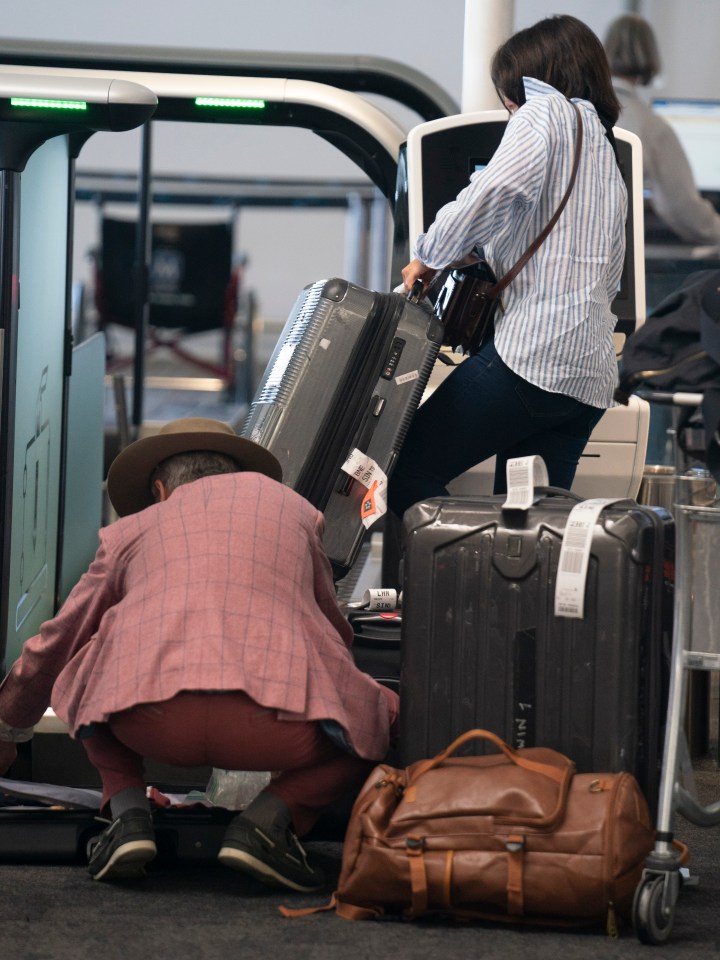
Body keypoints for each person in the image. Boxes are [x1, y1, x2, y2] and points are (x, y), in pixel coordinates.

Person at [0, 417, 398, 889]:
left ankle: (127, 814)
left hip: (149, 723)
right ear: (232, 473)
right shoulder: (296, 511)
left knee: (88, 659)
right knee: (383, 714)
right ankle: (268, 822)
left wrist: (10, 727)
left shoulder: (130, 532)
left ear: (161, 489)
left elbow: (62, 637)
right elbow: (331, 630)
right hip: (276, 729)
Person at [388, 15, 627, 517]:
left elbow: (492, 191)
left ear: (531, 79)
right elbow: (611, 275)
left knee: (407, 467)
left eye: (507, 99)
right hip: (588, 377)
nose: (510, 110)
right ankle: (507, 598)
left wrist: (429, 255)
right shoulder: (607, 150)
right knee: (529, 522)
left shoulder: (543, 111)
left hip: (533, 356)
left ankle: (448, 581)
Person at [605, 14, 720, 247]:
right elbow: (682, 208)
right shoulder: (650, 125)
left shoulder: (576, 108)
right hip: (619, 256)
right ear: (650, 55)